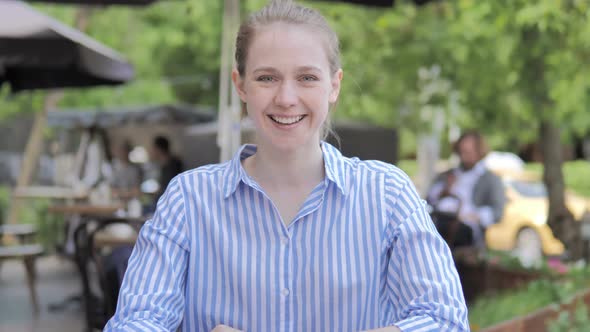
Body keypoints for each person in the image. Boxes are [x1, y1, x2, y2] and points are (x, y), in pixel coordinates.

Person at [105, 1, 469, 331]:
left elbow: (445, 319)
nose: (286, 98)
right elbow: (136, 322)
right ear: (241, 85)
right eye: (267, 77)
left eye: (307, 77)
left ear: (334, 86)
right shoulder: (188, 199)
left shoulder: (388, 194)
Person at [427, 130, 506, 249]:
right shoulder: (449, 174)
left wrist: (476, 216)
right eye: (462, 151)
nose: (464, 156)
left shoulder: (490, 179)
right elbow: (429, 199)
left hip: (466, 230)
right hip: (440, 219)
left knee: (455, 231)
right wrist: (445, 190)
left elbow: (497, 212)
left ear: (479, 151)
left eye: (468, 152)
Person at [150, 135, 183, 204]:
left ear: (159, 149)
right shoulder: (164, 166)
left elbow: (170, 189)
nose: (151, 151)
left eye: (153, 148)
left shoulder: (173, 165)